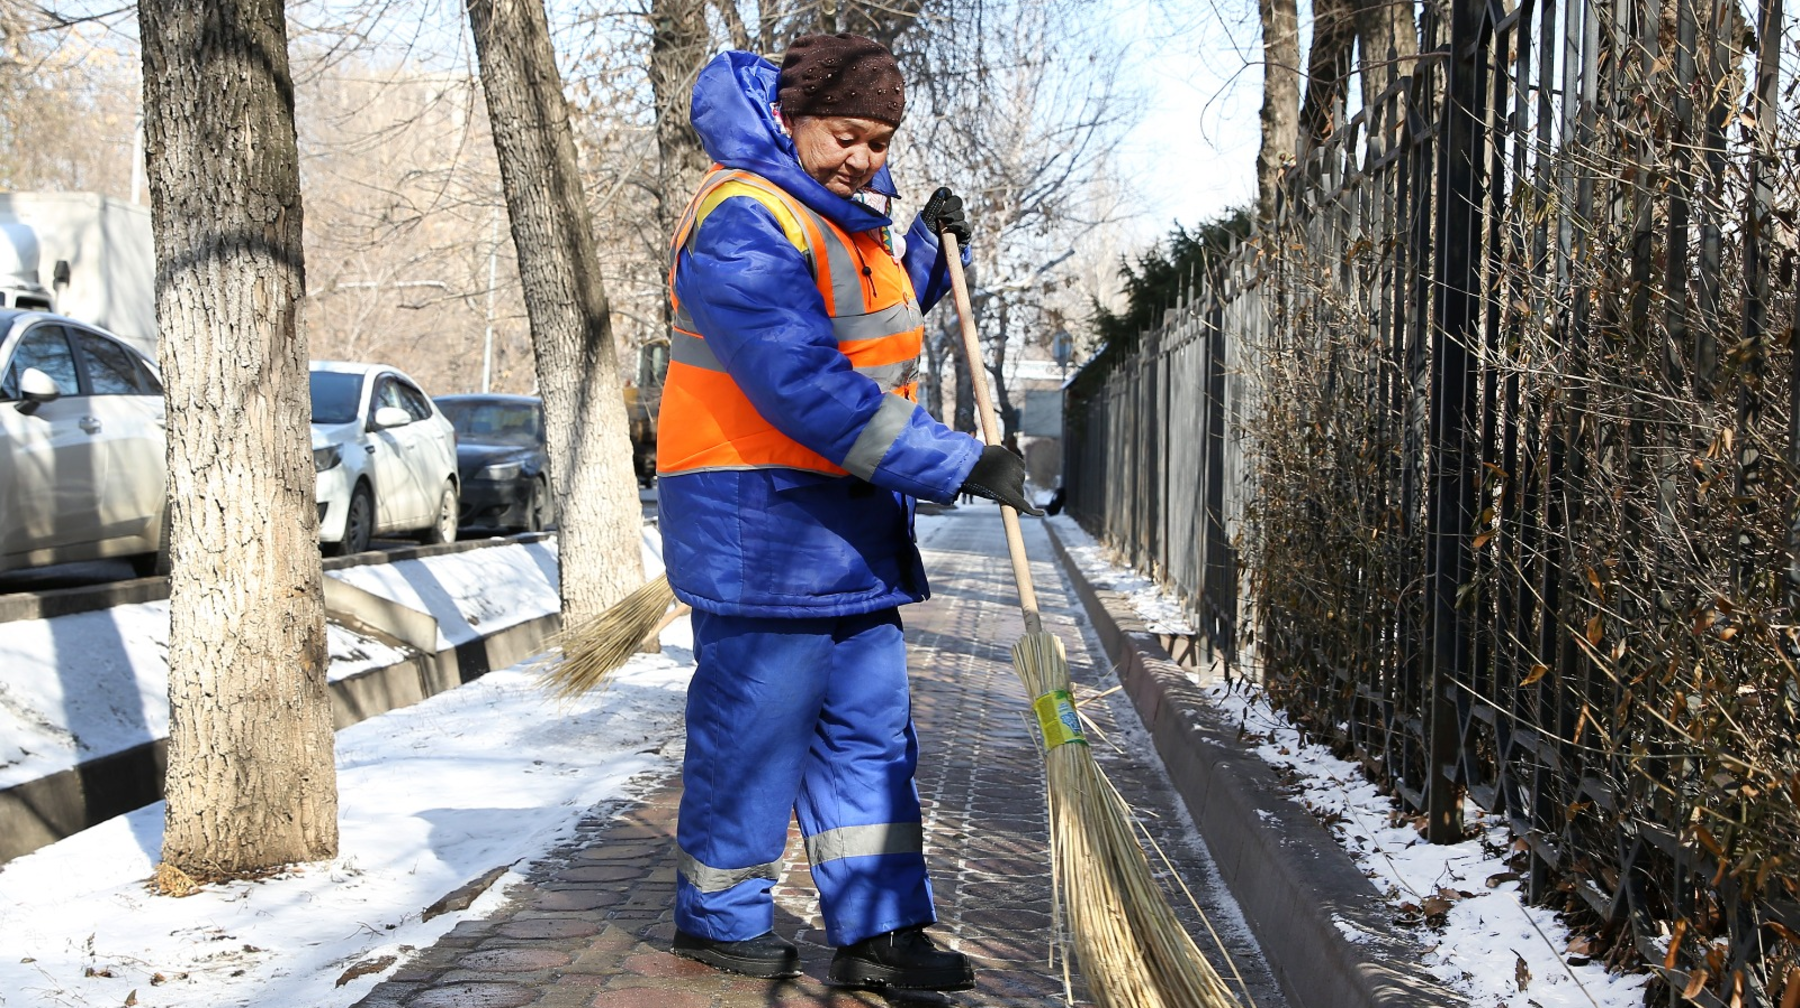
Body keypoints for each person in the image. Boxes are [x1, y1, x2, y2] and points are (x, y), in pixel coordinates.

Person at [655, 32, 1039, 992]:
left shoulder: (836, 216)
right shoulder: (743, 219)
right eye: (846, 134)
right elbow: (806, 388)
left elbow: (869, 325)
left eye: (879, 140)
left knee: (871, 736)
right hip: (760, 525)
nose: (864, 158)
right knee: (755, 732)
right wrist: (957, 463)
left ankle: (878, 929)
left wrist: (924, 254)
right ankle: (718, 916)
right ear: (789, 118)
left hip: (847, 529)